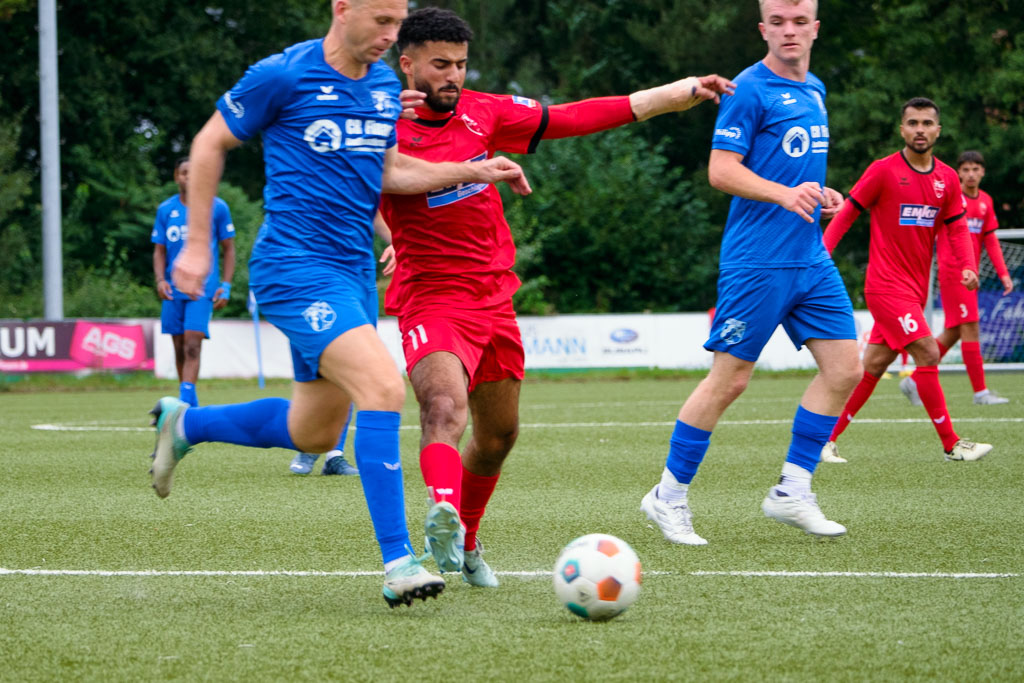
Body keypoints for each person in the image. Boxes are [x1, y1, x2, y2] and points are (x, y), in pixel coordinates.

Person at [146, 0, 531, 609]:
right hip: (295, 266)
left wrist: (442, 199)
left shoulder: (381, 85)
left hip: (350, 273)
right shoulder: (284, 73)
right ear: (341, 9)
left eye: (396, 24)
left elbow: (389, 173)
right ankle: (399, 561)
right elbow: (208, 143)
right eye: (379, 21)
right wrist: (196, 243)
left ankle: (186, 424)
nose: (389, 36)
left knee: (313, 429)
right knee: (382, 387)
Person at [383, 5, 734, 581]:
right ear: (407, 63)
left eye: (461, 65)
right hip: (432, 297)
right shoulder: (379, 120)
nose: (453, 76)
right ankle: (440, 508)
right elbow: (373, 181)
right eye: (440, 65)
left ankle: (465, 541)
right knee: (442, 408)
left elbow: (573, 117)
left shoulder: (484, 112)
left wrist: (673, 94)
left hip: (494, 298)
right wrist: (387, 231)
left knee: (497, 438)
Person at [641, 0, 859, 546]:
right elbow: (721, 171)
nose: (789, 31)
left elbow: (795, 165)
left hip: (809, 255)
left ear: (815, 28)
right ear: (763, 29)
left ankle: (792, 489)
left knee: (845, 370)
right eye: (778, 23)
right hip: (757, 260)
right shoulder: (749, 89)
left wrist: (819, 194)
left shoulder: (817, 89)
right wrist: (786, 194)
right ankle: (667, 496)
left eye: (799, 21)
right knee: (731, 379)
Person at [820, 98, 993, 464]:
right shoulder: (883, 171)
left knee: (873, 367)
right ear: (902, 129)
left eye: (927, 123)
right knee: (928, 352)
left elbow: (957, 226)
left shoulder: (947, 178)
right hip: (885, 286)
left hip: (915, 290)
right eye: (912, 123)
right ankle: (952, 444)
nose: (919, 129)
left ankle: (823, 440)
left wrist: (966, 264)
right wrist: (822, 251)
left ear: (937, 131)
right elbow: (849, 210)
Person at [898, 150, 1014, 407]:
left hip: (969, 273)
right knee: (970, 325)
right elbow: (931, 229)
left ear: (983, 172)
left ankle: (915, 380)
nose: (971, 174)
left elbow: (991, 241)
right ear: (959, 172)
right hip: (954, 273)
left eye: (976, 169)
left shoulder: (986, 201)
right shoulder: (951, 198)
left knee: (954, 331)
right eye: (966, 169)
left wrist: (1003, 274)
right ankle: (981, 392)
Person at [289, 214, 396, 476]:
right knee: (321, 356)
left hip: (359, 274)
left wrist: (398, 242)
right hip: (317, 270)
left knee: (357, 362)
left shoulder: (366, 175)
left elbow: (373, 209)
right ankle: (312, 441)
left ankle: (334, 453)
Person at [152, 157, 235, 408]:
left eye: (194, 172)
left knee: (192, 343)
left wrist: (226, 284)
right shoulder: (166, 210)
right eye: (184, 172)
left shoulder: (217, 207)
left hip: (203, 287)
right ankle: (187, 396)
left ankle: (185, 402)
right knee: (178, 346)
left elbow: (229, 249)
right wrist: (160, 280)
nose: (189, 177)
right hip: (174, 288)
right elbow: (159, 251)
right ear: (177, 177)